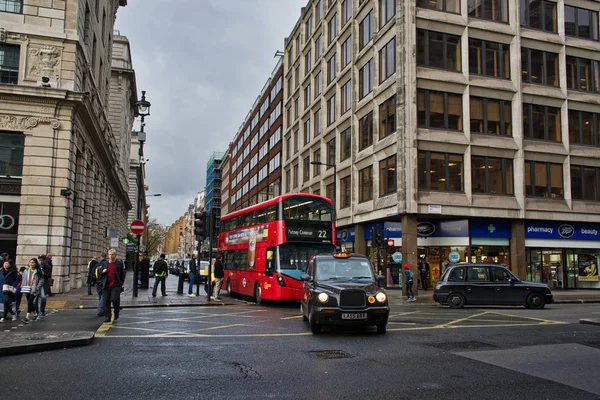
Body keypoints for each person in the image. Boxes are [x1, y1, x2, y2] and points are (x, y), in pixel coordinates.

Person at [99, 249, 125, 323]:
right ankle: (107, 317)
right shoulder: (104, 264)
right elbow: (100, 274)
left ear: (115, 255)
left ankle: (116, 311)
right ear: (108, 255)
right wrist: (102, 272)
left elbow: (122, 274)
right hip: (106, 286)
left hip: (115, 286)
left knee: (114, 299)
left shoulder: (119, 263)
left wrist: (121, 284)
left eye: (113, 254)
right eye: (110, 254)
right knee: (106, 301)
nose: (111, 256)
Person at [22, 258, 43, 323]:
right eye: (30, 262)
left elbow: (41, 281)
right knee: (29, 302)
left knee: (30, 302)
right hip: (27, 288)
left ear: (35, 264)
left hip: (34, 289)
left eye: (33, 262)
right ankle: (35, 314)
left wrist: (37, 287)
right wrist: (22, 286)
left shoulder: (38, 272)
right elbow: (24, 279)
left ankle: (27, 317)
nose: (31, 264)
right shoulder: (26, 270)